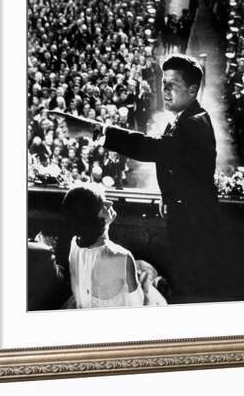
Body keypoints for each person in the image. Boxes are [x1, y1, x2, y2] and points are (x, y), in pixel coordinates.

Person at [50, 55, 220, 303]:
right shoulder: (184, 119)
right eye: (163, 83)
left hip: (196, 227)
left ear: (193, 90)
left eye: (173, 84)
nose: (165, 90)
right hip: (186, 216)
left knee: (192, 287)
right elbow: (176, 162)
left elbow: (151, 149)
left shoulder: (193, 124)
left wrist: (92, 129)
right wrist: (169, 197)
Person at [61, 184, 166, 308]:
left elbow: (99, 248)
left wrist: (105, 224)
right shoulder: (123, 256)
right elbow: (137, 304)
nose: (110, 203)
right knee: (149, 276)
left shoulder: (75, 244)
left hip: (86, 307)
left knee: (141, 267)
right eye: (103, 203)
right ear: (95, 218)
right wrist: (146, 287)